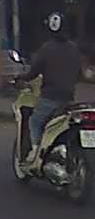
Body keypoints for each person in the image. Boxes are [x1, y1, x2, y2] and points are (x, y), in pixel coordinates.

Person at [18, 12, 83, 162]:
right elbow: (79, 72)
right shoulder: (74, 48)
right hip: (68, 98)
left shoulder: (46, 48)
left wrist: (20, 77)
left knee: (34, 121)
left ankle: (35, 152)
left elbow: (33, 72)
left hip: (50, 98)